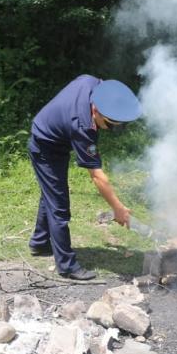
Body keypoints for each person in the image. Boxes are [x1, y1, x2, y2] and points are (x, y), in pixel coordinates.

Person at [28, 76, 141, 280]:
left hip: (54, 137)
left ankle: (39, 243)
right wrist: (118, 208)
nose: (112, 130)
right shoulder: (82, 127)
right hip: (46, 147)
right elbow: (97, 177)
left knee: (52, 194)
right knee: (59, 206)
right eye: (111, 125)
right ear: (96, 111)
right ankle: (67, 266)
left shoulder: (94, 84)